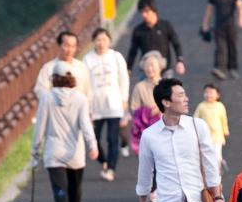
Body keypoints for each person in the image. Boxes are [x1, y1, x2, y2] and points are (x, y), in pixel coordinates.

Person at [32, 60, 99, 202]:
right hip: (75, 151)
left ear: (54, 78)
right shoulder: (80, 98)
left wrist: (35, 149)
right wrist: (93, 145)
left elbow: (40, 126)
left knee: (60, 189)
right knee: (75, 189)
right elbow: (85, 124)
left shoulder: (46, 98)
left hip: (53, 151)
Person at [84, 26, 129, 181]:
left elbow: (124, 79)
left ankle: (111, 168)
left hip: (114, 103)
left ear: (109, 41)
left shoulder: (116, 57)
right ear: (93, 42)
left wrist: (124, 99)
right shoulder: (88, 59)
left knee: (112, 138)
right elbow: (85, 83)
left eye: (104, 39)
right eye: (98, 40)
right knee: (94, 138)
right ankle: (103, 160)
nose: (101, 43)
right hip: (95, 105)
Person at [125, 0, 185, 78]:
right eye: (142, 12)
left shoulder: (165, 26)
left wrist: (179, 61)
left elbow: (176, 44)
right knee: (141, 89)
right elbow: (133, 51)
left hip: (165, 71)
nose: (144, 15)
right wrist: (128, 69)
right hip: (146, 72)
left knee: (168, 89)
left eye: (146, 11)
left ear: (154, 10)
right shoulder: (138, 30)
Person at [201, 0, 242, 80]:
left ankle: (232, 68)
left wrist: (241, 18)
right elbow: (209, 10)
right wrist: (205, 24)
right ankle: (219, 69)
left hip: (231, 25)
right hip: (218, 26)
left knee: (232, 46)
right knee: (220, 48)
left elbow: (240, 5)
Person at [34, 30, 91, 99]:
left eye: (73, 46)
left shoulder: (81, 67)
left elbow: (88, 91)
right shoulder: (48, 68)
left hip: (77, 107)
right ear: (59, 45)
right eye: (67, 46)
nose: (69, 50)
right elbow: (41, 91)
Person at [128, 50, 162, 157]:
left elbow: (175, 106)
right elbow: (134, 108)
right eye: (147, 66)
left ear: (160, 67)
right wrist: (147, 113)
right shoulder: (139, 87)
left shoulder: (167, 85)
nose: (149, 68)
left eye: (152, 65)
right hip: (147, 129)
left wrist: (160, 109)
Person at [194, 82, 230, 171]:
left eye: (211, 92)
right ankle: (207, 172)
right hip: (204, 136)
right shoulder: (201, 106)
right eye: (206, 92)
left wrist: (225, 130)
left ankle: (217, 171)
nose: (208, 95)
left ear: (217, 95)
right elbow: (195, 119)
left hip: (217, 136)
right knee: (205, 155)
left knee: (217, 156)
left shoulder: (220, 106)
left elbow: (223, 119)